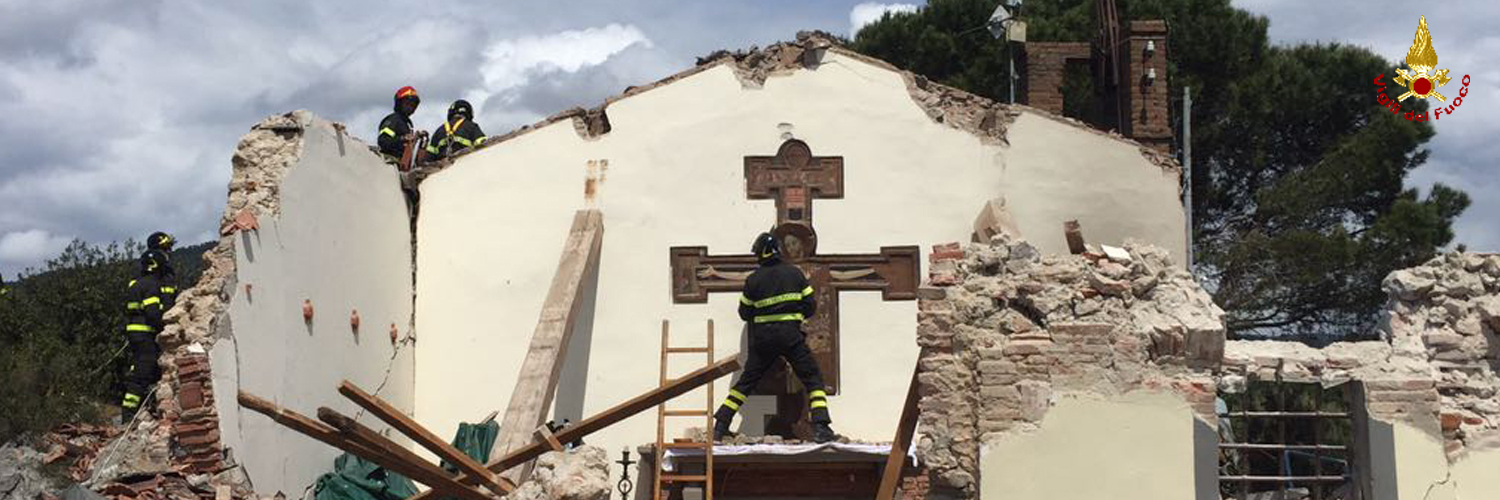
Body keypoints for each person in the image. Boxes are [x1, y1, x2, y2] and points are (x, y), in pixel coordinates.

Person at [713, 232, 836, 443]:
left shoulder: (753, 280)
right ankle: (821, 427)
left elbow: (744, 313)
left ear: (762, 254)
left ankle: (721, 426)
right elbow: (810, 306)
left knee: (746, 383)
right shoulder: (795, 274)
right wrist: (794, 315)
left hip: (763, 339)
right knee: (812, 378)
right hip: (791, 336)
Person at [120, 249, 174, 423]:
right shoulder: (152, 285)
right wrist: (165, 328)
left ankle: (136, 410)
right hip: (145, 334)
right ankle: (129, 414)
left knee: (139, 368)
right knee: (143, 371)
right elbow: (152, 314)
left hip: (135, 333)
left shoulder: (136, 283)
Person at [378, 86, 422, 160]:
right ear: (399, 104)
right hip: (390, 161)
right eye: (407, 104)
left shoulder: (406, 123)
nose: (410, 107)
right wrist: (402, 138)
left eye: (412, 105)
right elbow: (383, 141)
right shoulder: (393, 120)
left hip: (403, 162)